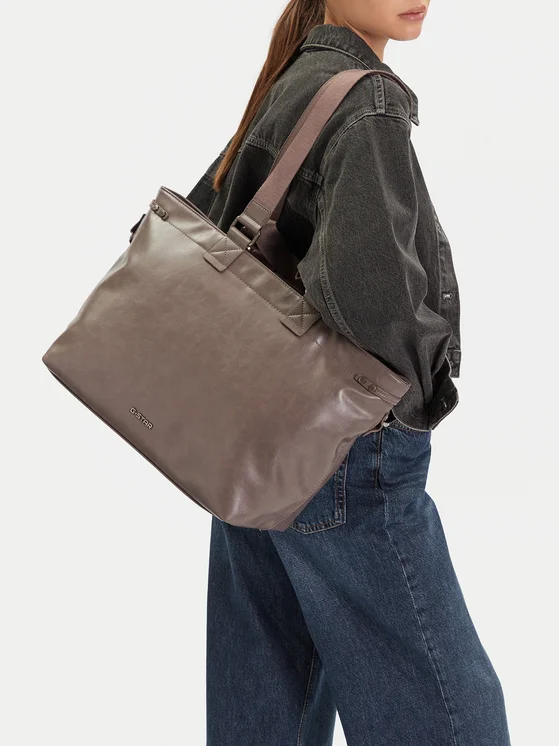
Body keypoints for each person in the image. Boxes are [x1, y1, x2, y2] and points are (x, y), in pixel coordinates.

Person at [186, 2, 512, 744]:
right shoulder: (366, 102)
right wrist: (421, 395)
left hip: (249, 436)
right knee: (447, 714)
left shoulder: (294, 78)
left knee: (264, 706)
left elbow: (213, 220)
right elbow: (370, 295)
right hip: (344, 448)